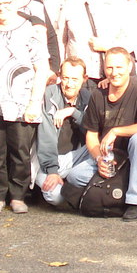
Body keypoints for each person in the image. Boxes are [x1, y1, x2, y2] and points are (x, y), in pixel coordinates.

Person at [0, 0, 50, 214]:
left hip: (21, 100)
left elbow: (43, 68)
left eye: (6, 2)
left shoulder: (30, 30)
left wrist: (34, 103)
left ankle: (18, 195)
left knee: (19, 150)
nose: (1, 7)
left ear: (16, 2)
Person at [71, 47, 137, 222]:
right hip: (116, 158)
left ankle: (136, 202)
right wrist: (99, 159)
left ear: (129, 67)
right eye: (110, 68)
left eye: (119, 67)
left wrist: (116, 131)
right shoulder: (98, 94)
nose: (114, 73)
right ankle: (123, 189)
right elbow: (91, 135)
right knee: (75, 176)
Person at [35, 58, 95, 208]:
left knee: (100, 146)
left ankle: (76, 184)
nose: (69, 84)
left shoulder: (88, 97)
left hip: (76, 157)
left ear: (85, 79)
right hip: (48, 162)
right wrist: (52, 171)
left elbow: (92, 130)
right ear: (59, 76)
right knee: (55, 196)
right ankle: (72, 188)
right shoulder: (49, 94)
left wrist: (73, 112)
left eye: (75, 79)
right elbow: (46, 138)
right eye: (65, 78)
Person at [63, 0, 123, 81]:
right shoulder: (70, 2)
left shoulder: (118, 3)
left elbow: (129, 40)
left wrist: (109, 46)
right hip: (77, 77)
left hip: (110, 76)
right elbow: (62, 40)